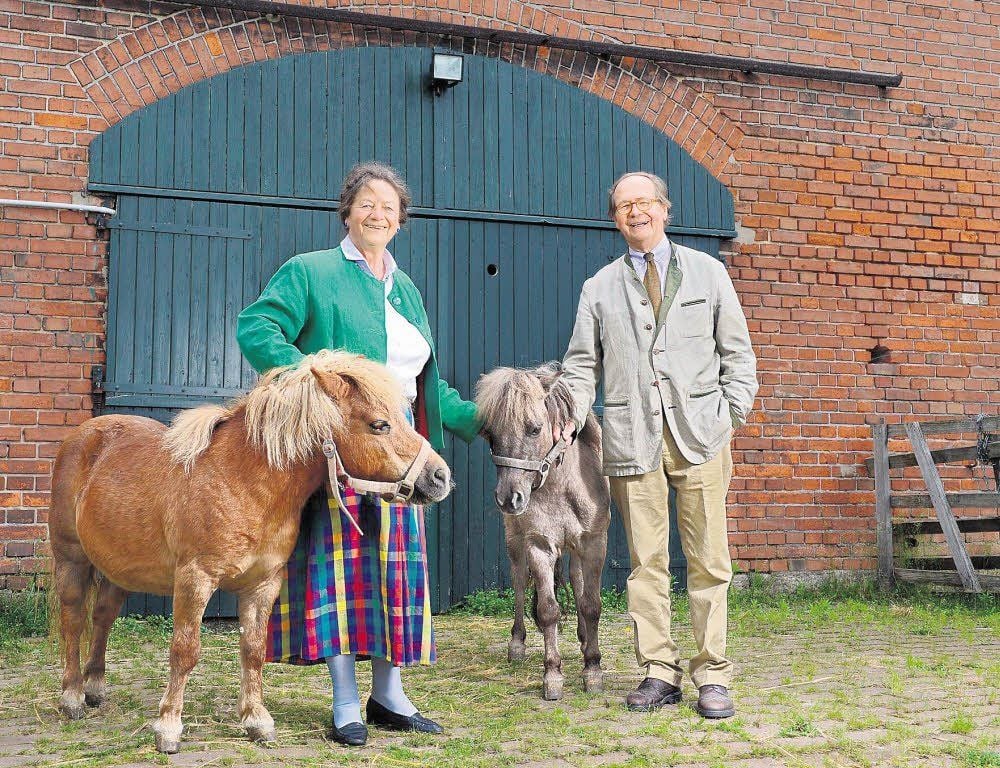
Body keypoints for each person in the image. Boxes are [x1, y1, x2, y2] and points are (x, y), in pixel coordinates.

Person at [236, 162, 479, 746]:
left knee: (396, 577)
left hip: (401, 460)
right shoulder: (311, 271)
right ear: (347, 211)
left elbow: (425, 386)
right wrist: (318, 383)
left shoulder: (407, 289)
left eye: (390, 205)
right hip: (340, 457)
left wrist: (481, 418)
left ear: (401, 219)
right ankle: (346, 700)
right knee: (339, 577)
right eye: (367, 202)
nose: (379, 213)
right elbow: (257, 327)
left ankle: (389, 695)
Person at [560, 171, 758, 719]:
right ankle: (658, 672)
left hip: (702, 435)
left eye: (644, 202)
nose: (635, 212)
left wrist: (731, 415)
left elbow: (738, 356)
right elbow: (581, 366)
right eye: (624, 205)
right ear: (615, 217)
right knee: (646, 561)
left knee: (708, 559)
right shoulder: (598, 288)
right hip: (630, 439)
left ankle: (712, 673)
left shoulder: (709, 272)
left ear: (664, 209)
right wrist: (569, 413)